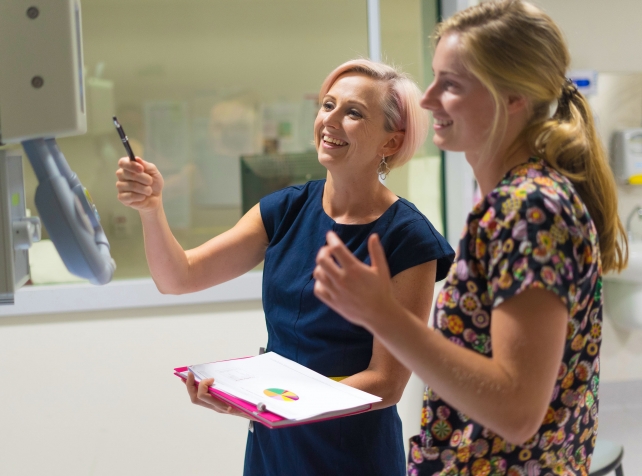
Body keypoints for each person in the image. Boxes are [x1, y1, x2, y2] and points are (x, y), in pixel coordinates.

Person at [312, 2, 628, 475]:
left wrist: (384, 317)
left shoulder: (529, 209)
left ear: (512, 98)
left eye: (451, 84)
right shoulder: (513, 202)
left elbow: (518, 411)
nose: (427, 100)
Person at [115, 59, 455, 475]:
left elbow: (386, 383)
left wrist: (273, 403)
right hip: (274, 446)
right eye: (327, 105)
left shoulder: (408, 238)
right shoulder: (285, 209)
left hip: (350, 453)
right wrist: (151, 209)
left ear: (391, 142)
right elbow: (177, 277)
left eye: (353, 112)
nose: (330, 120)